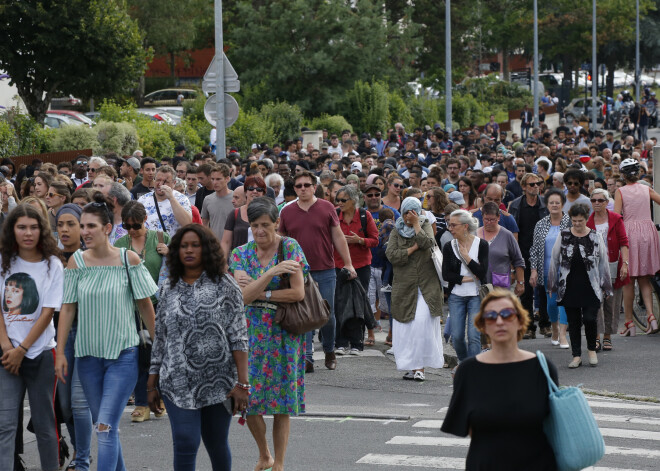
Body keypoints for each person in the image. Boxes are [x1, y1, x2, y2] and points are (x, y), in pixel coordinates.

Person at [55, 193, 158, 471]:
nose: (85, 232)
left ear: (107, 229)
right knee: (106, 427)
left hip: (122, 357)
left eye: (91, 226)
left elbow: (146, 305)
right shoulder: (77, 261)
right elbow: (67, 309)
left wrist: (161, 345)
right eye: (83, 226)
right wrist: (61, 352)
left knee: (104, 427)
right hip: (87, 358)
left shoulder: (129, 259)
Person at [147, 224, 248, 470]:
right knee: (185, 441)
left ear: (207, 249)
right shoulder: (167, 287)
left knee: (216, 442)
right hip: (177, 381)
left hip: (219, 381)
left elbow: (238, 336)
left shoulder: (225, 284)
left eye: (195, 245)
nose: (189, 250)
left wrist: (242, 384)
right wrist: (151, 380)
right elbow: (160, 337)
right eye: (183, 246)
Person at [230, 197, 308, 471]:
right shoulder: (240, 253)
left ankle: (280, 464)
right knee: (248, 398)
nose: (260, 231)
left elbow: (298, 293)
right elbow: (241, 298)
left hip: (282, 332)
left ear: (277, 222)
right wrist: (273, 272)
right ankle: (264, 453)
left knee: (282, 402)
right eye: (255, 225)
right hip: (248, 333)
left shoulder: (290, 247)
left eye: (266, 225)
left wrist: (259, 290)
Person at [441, 289, 559, 470]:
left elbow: (554, 425)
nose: (499, 321)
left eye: (507, 314)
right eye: (490, 316)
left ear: (520, 321)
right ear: (483, 325)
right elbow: (469, 428)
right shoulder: (468, 371)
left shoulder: (542, 368)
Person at [0, 204, 64, 471]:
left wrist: (22, 349)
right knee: (5, 425)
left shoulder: (53, 265)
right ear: (12, 230)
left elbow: (48, 312)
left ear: (42, 230)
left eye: (34, 227)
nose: (28, 233)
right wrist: (7, 347)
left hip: (39, 354)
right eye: (21, 227)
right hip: (6, 355)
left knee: (45, 425)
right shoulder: (4, 262)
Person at [278, 171, 357, 372]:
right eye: (298, 186)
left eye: (306, 185)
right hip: (298, 271)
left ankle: (329, 349)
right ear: (294, 189)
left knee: (326, 315)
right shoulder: (286, 211)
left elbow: (338, 237)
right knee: (305, 315)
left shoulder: (327, 207)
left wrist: (348, 264)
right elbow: (281, 241)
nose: (303, 189)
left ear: (315, 187)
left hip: (325, 268)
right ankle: (307, 358)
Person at [114, 201, 170, 423]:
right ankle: (141, 402)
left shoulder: (162, 238)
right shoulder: (120, 243)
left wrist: (170, 252)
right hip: (131, 306)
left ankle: (161, 397)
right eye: (127, 226)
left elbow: (182, 267)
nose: (131, 231)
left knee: (160, 352)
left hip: (160, 304)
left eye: (136, 225)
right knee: (138, 355)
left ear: (145, 219)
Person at [385, 197, 444, 381]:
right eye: (407, 213)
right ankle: (412, 367)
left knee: (422, 324)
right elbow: (391, 255)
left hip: (427, 286)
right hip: (405, 287)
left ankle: (421, 367)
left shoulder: (425, 224)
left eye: (414, 212)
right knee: (407, 327)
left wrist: (417, 225)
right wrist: (411, 250)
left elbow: (428, 244)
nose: (410, 216)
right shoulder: (397, 229)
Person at [548, 203, 613, 368]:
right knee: (574, 322)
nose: (577, 224)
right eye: (574, 221)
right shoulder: (563, 235)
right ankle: (576, 355)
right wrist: (552, 285)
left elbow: (603, 263)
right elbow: (554, 261)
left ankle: (591, 349)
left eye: (580, 221)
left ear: (586, 219)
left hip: (591, 286)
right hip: (569, 285)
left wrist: (606, 286)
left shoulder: (595, 236)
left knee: (591, 319)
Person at [55, 204, 94, 471]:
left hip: (88, 334)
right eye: (61, 225)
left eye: (72, 224)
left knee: (80, 403)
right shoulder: (50, 258)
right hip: (60, 336)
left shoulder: (92, 257)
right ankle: (79, 451)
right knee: (65, 404)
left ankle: (82, 460)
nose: (66, 230)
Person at [614, 158, 660, 335]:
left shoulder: (620, 191)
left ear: (623, 175)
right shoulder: (646, 188)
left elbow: (617, 217)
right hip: (648, 232)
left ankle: (629, 324)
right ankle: (651, 317)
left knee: (629, 280)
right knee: (645, 278)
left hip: (629, 232)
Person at [333, 185, 378, 353]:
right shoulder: (335, 216)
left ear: (354, 201)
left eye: (343, 200)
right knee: (340, 303)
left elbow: (375, 240)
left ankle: (357, 343)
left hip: (361, 266)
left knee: (359, 304)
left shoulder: (365, 216)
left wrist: (359, 241)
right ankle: (341, 342)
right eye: (338, 200)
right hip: (338, 265)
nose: (339, 203)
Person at [442, 209, 489, 364]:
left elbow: (482, 273)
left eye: (453, 225)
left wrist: (467, 258)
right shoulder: (449, 246)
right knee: (457, 336)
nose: (450, 228)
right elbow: (446, 274)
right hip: (456, 295)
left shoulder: (481, 244)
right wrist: (466, 278)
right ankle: (464, 363)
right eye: (449, 224)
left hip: (476, 295)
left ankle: (472, 368)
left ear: (465, 226)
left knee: (474, 336)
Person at [587, 188, 630, 351]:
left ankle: (607, 336)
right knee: (595, 302)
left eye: (600, 200)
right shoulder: (587, 220)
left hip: (613, 264)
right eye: (593, 200)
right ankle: (596, 335)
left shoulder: (616, 219)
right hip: (593, 266)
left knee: (611, 303)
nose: (596, 203)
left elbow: (624, 243)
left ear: (606, 202)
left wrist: (625, 263)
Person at [508, 173, 550, 339]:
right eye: (532, 184)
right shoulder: (516, 205)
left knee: (544, 289)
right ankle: (528, 326)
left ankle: (545, 324)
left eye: (538, 184)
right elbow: (512, 230)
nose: (536, 187)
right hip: (523, 252)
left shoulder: (545, 204)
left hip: (543, 251)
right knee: (524, 291)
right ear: (524, 187)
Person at [529, 189, 571, 348]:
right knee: (552, 303)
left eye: (557, 202)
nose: (554, 205)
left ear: (562, 204)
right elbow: (534, 249)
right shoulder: (540, 224)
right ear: (547, 205)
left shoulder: (570, 222)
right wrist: (534, 270)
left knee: (565, 301)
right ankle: (554, 329)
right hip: (546, 270)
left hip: (567, 270)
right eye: (551, 202)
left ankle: (562, 334)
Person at [476, 202, 524, 294]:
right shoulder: (475, 234)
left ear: (498, 217)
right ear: (482, 217)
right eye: (486, 219)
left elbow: (518, 260)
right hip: (479, 286)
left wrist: (520, 282)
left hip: (500, 285)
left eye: (492, 220)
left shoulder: (507, 235)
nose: (489, 222)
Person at [138, 166, 192, 237]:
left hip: (172, 246)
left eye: (165, 181)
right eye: (158, 180)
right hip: (149, 246)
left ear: (174, 183)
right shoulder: (143, 199)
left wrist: (171, 198)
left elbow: (187, 223)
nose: (160, 184)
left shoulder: (182, 199)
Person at [220, 175, 266, 259]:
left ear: (263, 193)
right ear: (245, 192)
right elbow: (226, 242)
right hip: (238, 263)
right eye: (251, 188)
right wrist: (223, 263)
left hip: (263, 264)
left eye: (259, 189)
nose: (255, 191)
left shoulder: (269, 214)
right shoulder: (235, 213)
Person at [201, 164, 234, 242]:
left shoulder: (236, 198)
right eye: (212, 179)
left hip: (233, 247)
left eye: (218, 179)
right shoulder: (207, 199)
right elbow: (204, 223)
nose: (215, 182)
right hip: (214, 246)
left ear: (227, 179)